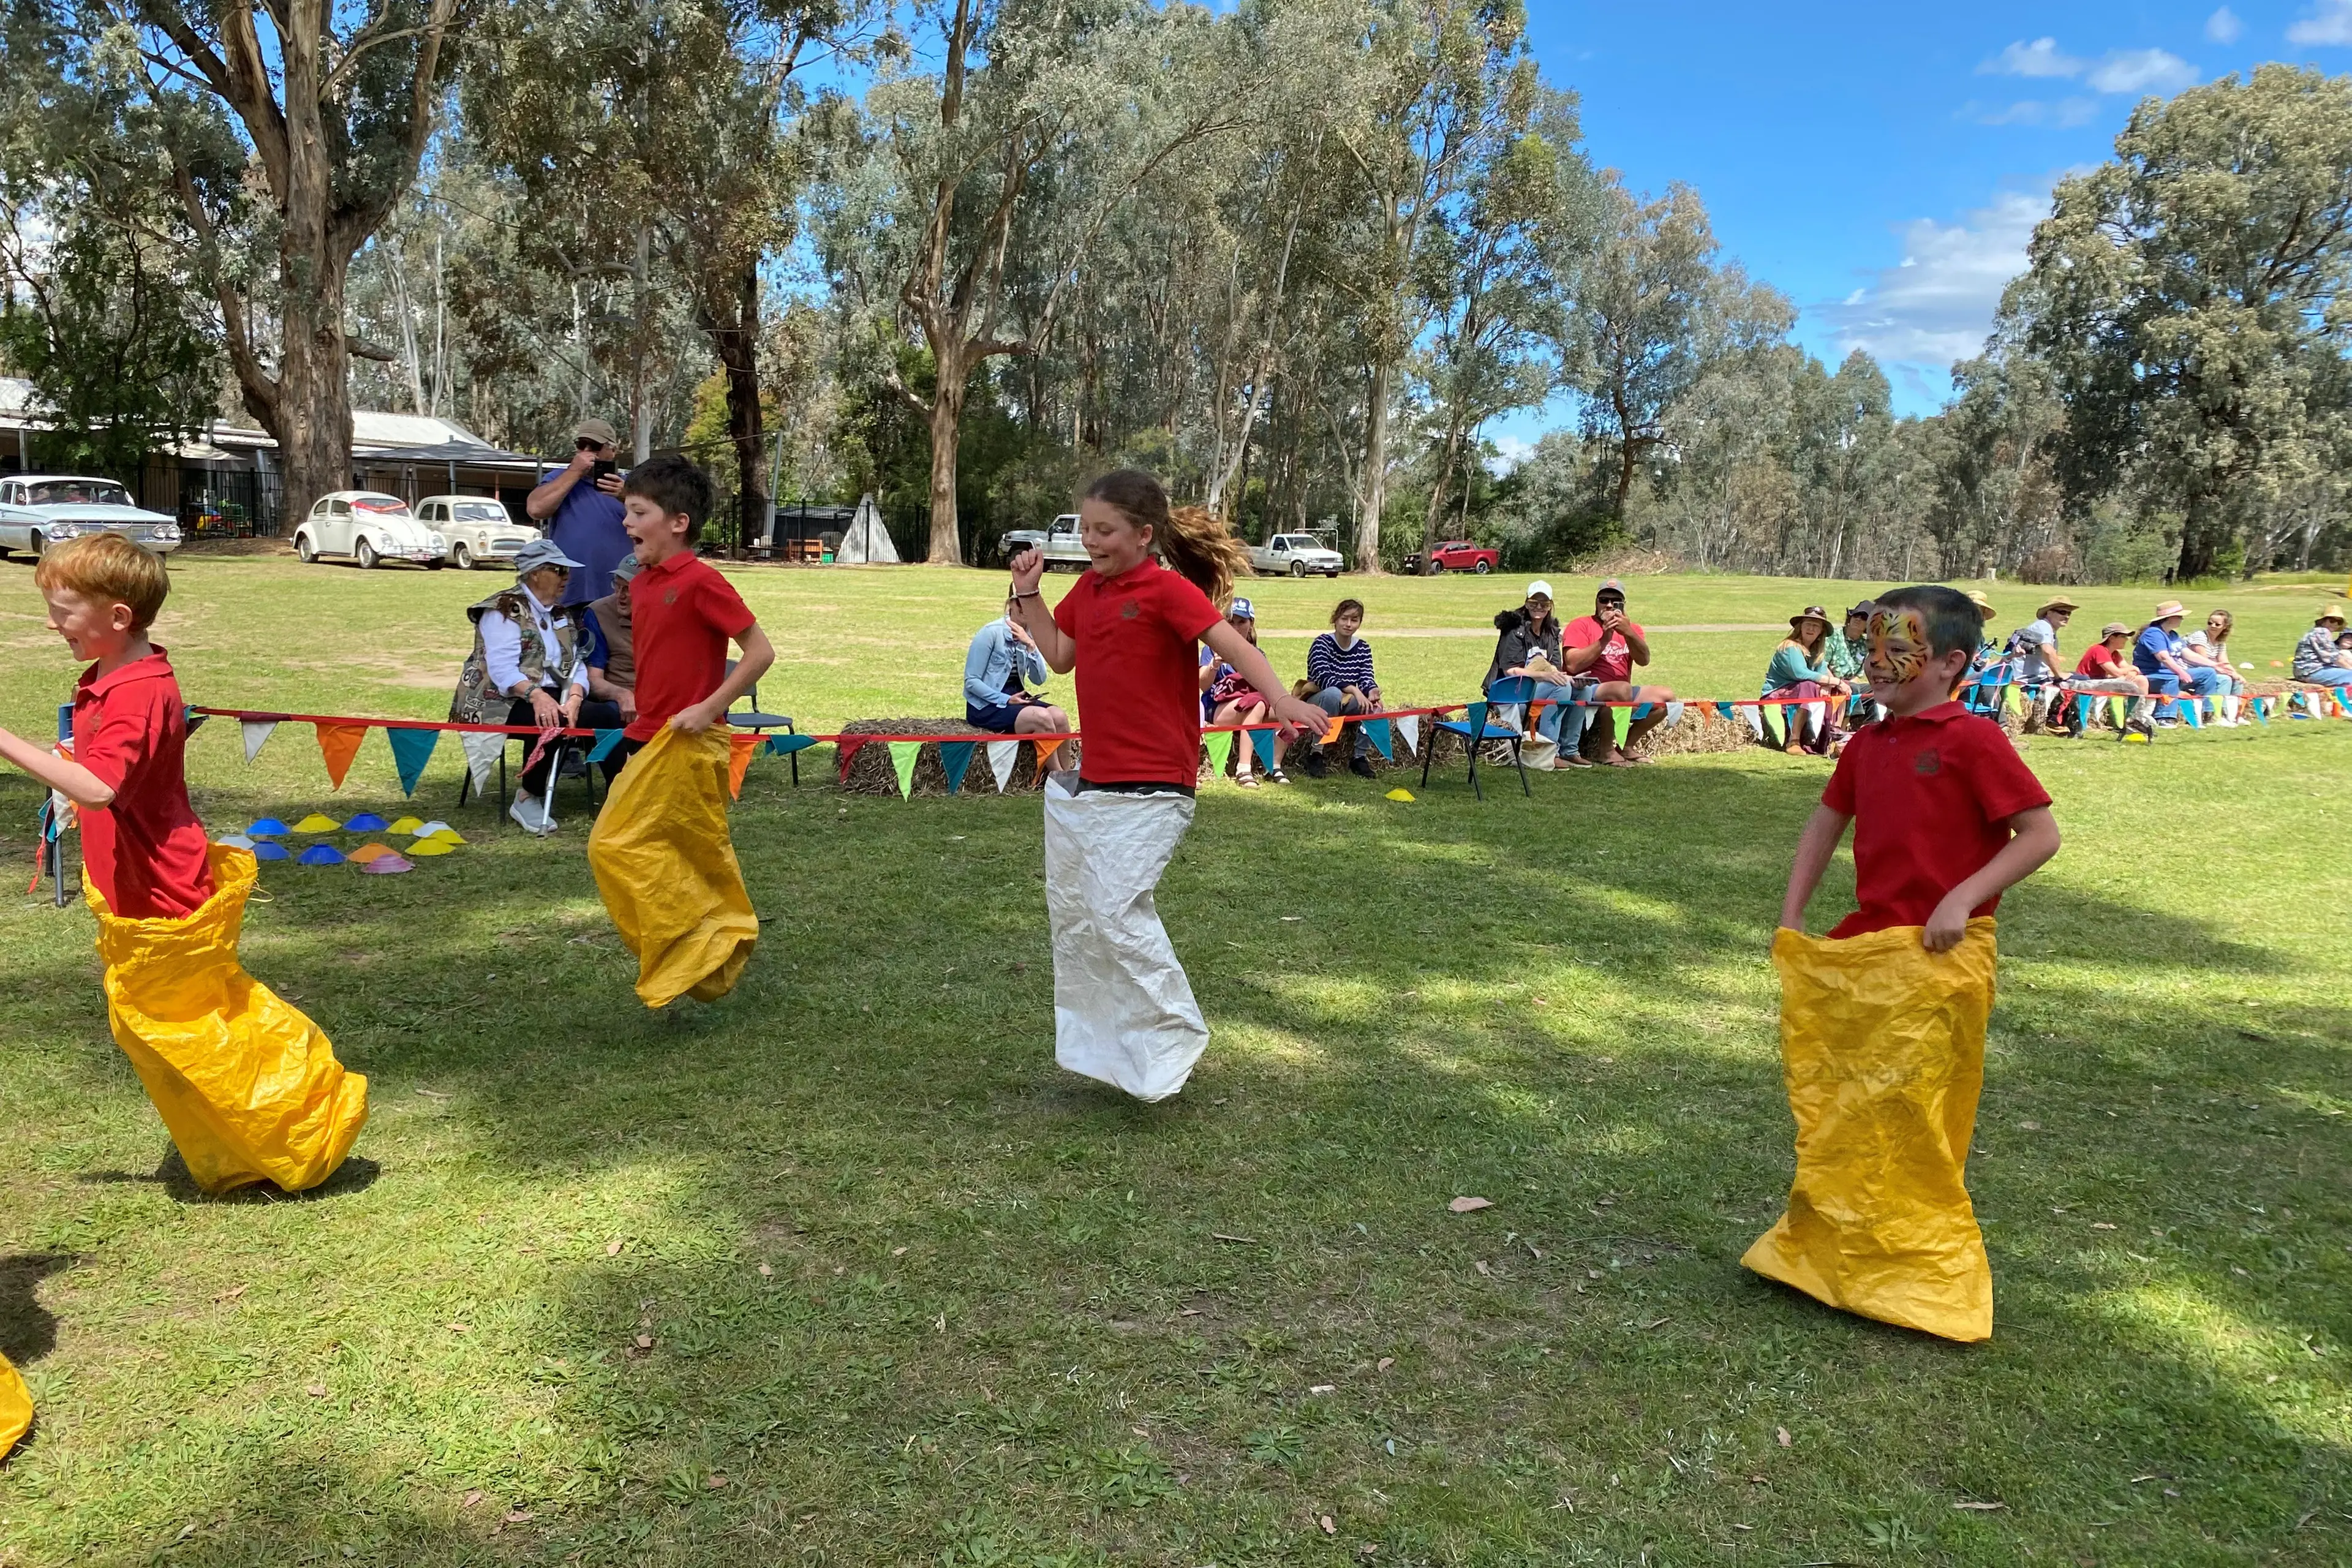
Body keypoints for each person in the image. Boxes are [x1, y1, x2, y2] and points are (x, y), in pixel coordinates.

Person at [0, 535, 366, 1193]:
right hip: (135, 883)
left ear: (118, 617)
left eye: (62, 611)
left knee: (191, 1026)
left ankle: (309, 1117)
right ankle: (247, 1143)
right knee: (161, 1025)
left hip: (163, 886)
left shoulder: (137, 691)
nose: (52, 625)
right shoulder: (112, 679)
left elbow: (99, 788)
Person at [1752, 584, 2060, 1343]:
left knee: (1913, 1117)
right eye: (1871, 645)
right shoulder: (1868, 742)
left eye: (1899, 647)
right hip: (1868, 950)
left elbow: (2040, 835)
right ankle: (1828, 1256)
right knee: (1848, 1109)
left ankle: (1917, 1277)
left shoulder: (1973, 740)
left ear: (1951, 661)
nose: (1877, 662)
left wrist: (1962, 899)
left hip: (1940, 961)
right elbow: (1827, 821)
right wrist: (1793, 915)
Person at [1005, 469, 1327, 1102]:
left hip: (1158, 784)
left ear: (1144, 535)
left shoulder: (1166, 591)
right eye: (1086, 529)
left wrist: (1281, 697)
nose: (1091, 540)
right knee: (1088, 918)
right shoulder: (1089, 592)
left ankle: (1175, 1033)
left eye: (1105, 530)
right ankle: (1117, 1049)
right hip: (1096, 781)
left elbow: (1235, 647)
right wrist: (1029, 595)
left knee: (1118, 911)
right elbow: (1059, 656)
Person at [585, 454, 775, 1009]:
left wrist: (706, 708)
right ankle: (710, 948)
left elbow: (760, 652)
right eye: (626, 512)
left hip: (690, 742)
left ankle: (707, 943)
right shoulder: (641, 585)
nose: (626, 523)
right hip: (648, 735)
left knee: (615, 843)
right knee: (676, 851)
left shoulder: (701, 582)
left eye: (638, 511)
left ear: (678, 522)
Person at [449, 537, 625, 834]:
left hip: (551, 694)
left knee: (607, 715)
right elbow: (502, 670)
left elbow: (576, 664)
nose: (566, 578)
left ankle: (620, 796)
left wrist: (576, 696)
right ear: (535, 573)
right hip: (497, 701)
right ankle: (527, 796)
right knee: (552, 717)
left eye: (566, 571)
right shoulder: (503, 609)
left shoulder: (559, 613)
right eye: (559, 571)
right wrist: (537, 695)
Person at [1564, 578, 1674, 764]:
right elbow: (1572, 666)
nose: (1608, 605)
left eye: (1615, 602)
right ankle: (1605, 752)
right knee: (1621, 690)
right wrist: (1605, 639)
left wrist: (1628, 632)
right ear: (1596, 602)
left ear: (1623, 605)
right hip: (1586, 689)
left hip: (1621, 693)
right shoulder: (1581, 625)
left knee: (1667, 697)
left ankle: (1626, 747)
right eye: (1604, 600)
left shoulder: (1632, 628)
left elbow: (1644, 660)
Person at [1486, 581, 1593, 769]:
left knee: (1584, 692)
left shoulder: (1551, 632)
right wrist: (1546, 677)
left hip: (1536, 691)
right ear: (1526, 603)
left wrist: (1572, 679)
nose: (1539, 607)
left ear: (1551, 606)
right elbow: (1510, 670)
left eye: (1544, 604)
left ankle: (1570, 750)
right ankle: (1549, 752)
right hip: (1511, 696)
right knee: (1560, 687)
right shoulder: (1514, 629)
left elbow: (1555, 670)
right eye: (1534, 602)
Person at [526, 417, 630, 605]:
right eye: (582, 445)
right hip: (570, 593)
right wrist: (575, 472)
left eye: (595, 446)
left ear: (613, 451)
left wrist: (626, 496)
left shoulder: (629, 485)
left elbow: (658, 524)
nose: (587, 453)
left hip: (618, 596)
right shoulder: (560, 478)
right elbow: (536, 509)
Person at [964, 596, 1072, 752]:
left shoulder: (1030, 635)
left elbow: (1039, 679)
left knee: (1059, 716)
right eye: (1019, 602)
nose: (1024, 607)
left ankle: (1068, 773)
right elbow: (971, 682)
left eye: (1028, 602)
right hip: (985, 705)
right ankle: (1055, 774)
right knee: (1042, 718)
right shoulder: (991, 633)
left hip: (1016, 697)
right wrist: (1006, 699)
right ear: (1010, 604)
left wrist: (1030, 645)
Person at [1200, 598, 1286, 786]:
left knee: (1287, 711)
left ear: (1251, 623)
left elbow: (1269, 687)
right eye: (1230, 621)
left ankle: (1274, 765)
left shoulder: (1258, 654)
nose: (1236, 627)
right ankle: (1243, 769)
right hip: (1217, 709)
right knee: (1257, 704)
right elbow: (1203, 686)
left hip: (1251, 705)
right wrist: (1213, 666)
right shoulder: (1212, 649)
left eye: (1242, 622)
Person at [1302, 597, 1382, 780]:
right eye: (1344, 619)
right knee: (1333, 694)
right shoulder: (1321, 643)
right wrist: (1354, 690)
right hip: (1319, 699)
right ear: (1335, 619)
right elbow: (1324, 678)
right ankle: (1316, 752)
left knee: (1375, 706)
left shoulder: (1363, 648)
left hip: (1348, 701)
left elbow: (1366, 676)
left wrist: (1372, 691)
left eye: (1354, 620)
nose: (1348, 624)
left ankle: (1359, 757)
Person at [1760, 606, 1853, 756]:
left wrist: (1830, 686)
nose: (1811, 628)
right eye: (1808, 624)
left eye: (1816, 626)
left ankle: (1833, 738)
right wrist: (1835, 681)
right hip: (1778, 694)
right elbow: (1801, 674)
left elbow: (1822, 672)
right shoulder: (1790, 647)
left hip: (1799, 690)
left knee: (1840, 690)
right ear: (1800, 627)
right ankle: (1794, 741)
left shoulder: (1816, 651)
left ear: (1821, 631)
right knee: (1808, 686)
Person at [2068, 621, 2155, 738]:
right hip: (2087, 685)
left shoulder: (2115, 653)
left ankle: (2139, 717)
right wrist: (2133, 669)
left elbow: (2129, 670)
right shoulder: (2099, 650)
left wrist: (2133, 672)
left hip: (2101, 683)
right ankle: (2132, 720)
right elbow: (2116, 672)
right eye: (2123, 637)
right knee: (2136, 681)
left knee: (2141, 680)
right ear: (2112, 638)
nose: (2126, 640)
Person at [2002, 595, 2078, 729]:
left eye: (2069, 613)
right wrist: (2059, 675)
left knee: (2077, 678)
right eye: (2062, 612)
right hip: (2026, 679)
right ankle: (2055, 721)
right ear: (2049, 613)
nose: (2067, 616)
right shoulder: (2043, 626)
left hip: (2037, 676)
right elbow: (2048, 651)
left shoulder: (2049, 629)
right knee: (2079, 681)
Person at [585, 553, 640, 729]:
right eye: (617, 586)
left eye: (628, 589)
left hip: (663, 699)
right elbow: (593, 679)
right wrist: (621, 694)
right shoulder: (599, 614)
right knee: (609, 714)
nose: (620, 595)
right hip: (620, 698)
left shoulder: (671, 611)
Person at [2132, 600, 2198, 723]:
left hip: (2170, 672)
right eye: (2179, 616)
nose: (2182, 619)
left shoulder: (2173, 634)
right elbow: (2163, 658)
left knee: (2207, 673)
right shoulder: (2153, 633)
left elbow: (2187, 654)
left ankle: (2206, 714)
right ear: (2169, 618)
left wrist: (2216, 666)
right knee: (2172, 679)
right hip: (2151, 674)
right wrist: (2181, 673)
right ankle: (2165, 718)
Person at [2293, 606, 2352, 689]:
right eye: (2332, 620)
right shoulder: (2321, 632)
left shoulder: (2317, 632)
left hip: (2307, 670)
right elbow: (2334, 658)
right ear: (2323, 621)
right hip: (2311, 671)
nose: (2335, 624)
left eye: (2339, 622)